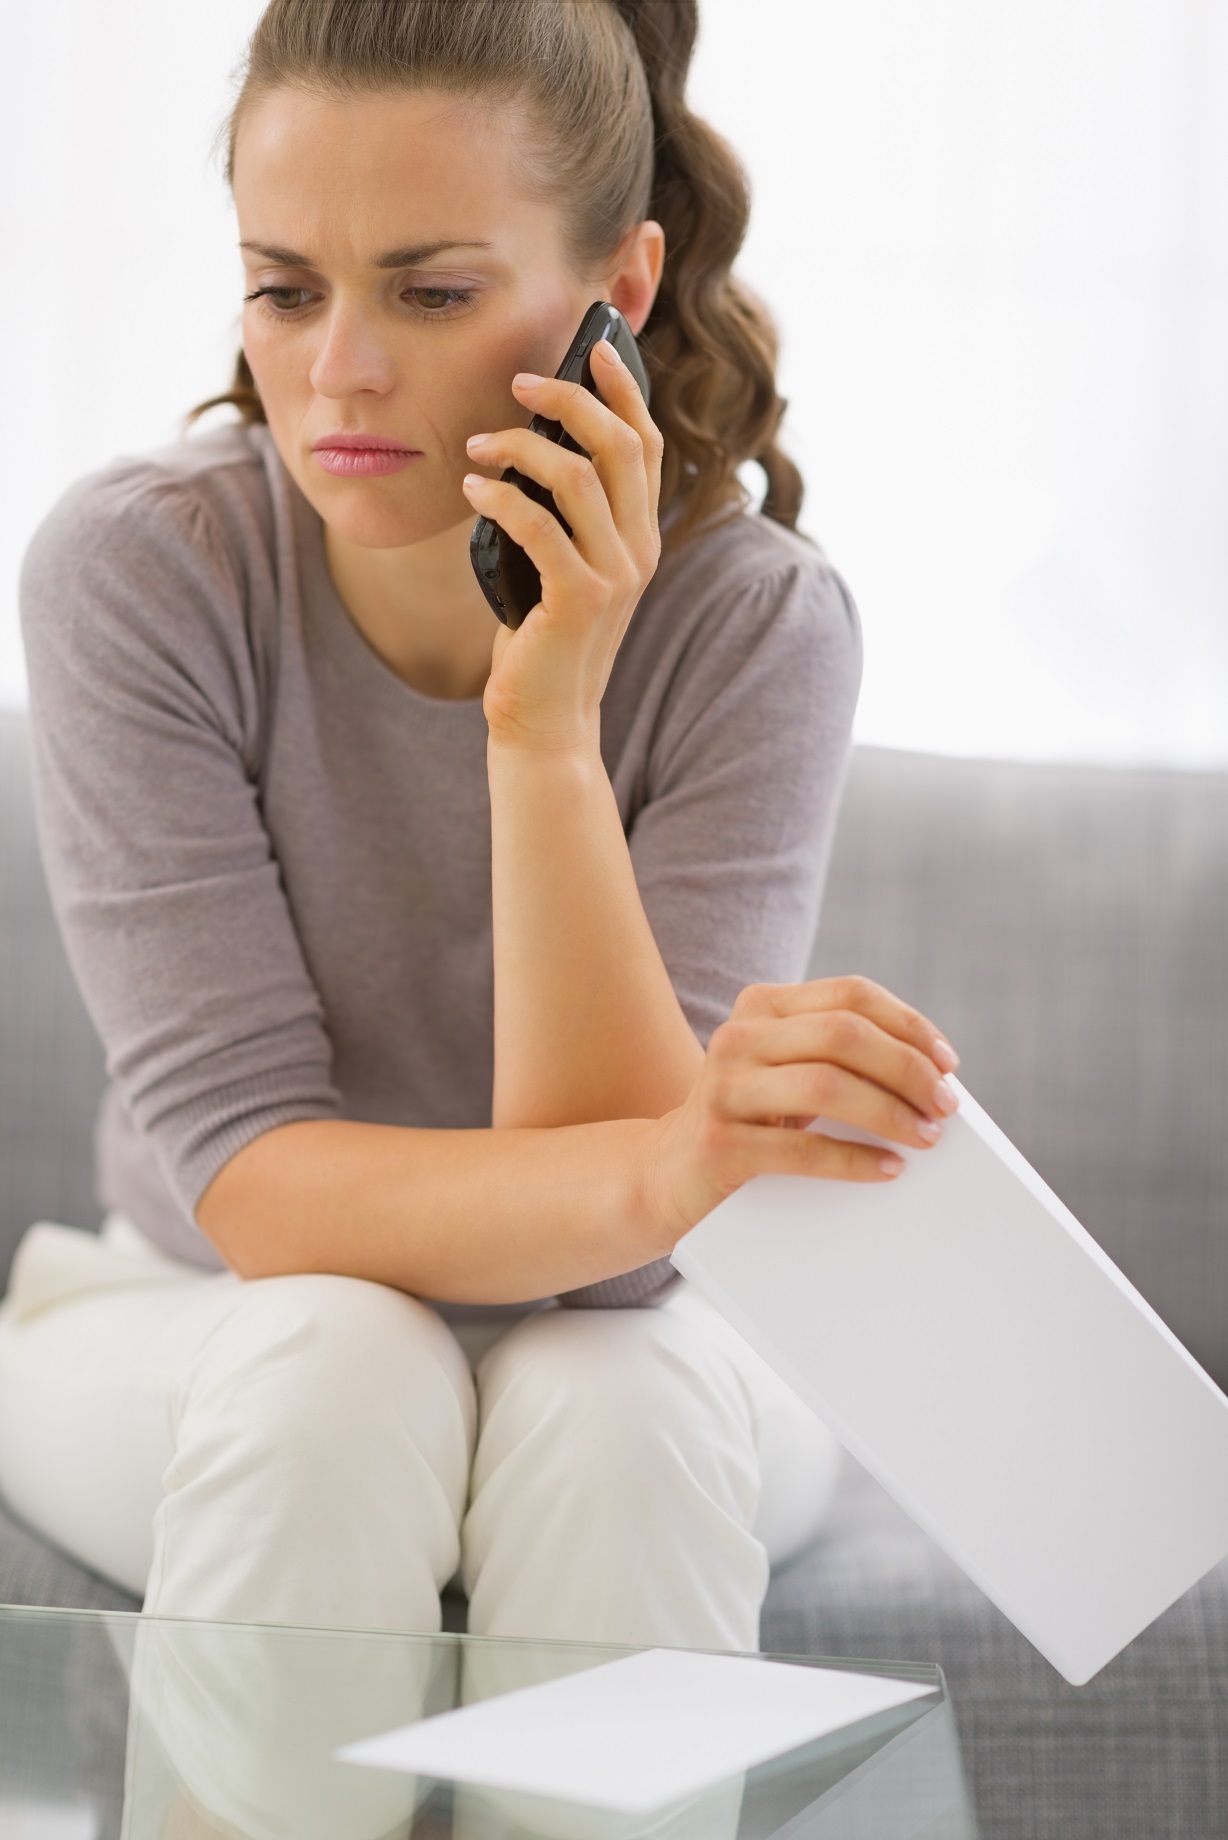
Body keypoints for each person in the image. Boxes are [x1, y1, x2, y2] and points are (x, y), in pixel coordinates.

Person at [0, 0, 961, 1663]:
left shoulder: (757, 627)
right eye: (285, 288)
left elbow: (622, 1279)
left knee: (616, 1409)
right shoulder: (144, 570)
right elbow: (259, 1192)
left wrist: (543, 723)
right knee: (337, 1364)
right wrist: (667, 1166)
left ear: (624, 297)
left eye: (432, 292)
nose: (337, 372)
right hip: (205, 1308)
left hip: (660, 1335)